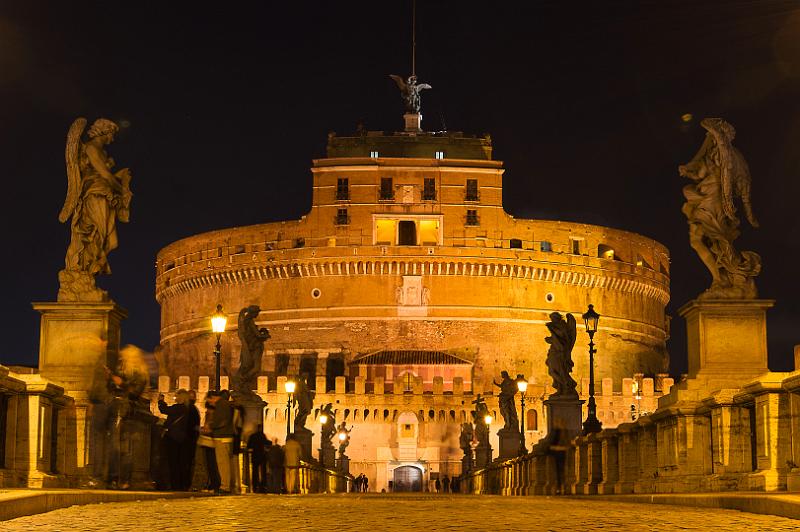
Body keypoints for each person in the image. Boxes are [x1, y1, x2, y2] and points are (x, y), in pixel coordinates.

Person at [158, 390, 190, 490]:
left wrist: (161, 401)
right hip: (182, 438)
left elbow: (164, 410)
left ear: (181, 397)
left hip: (173, 437)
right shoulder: (187, 409)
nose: (175, 398)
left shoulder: (178, 408)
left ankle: (174, 485)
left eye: (177, 396)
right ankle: (181, 485)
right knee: (179, 462)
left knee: (172, 462)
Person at [211, 390, 235, 494]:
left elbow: (222, 420)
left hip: (221, 436)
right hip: (226, 437)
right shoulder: (227, 405)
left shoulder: (221, 405)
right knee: (226, 463)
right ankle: (227, 485)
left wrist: (211, 426)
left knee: (222, 463)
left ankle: (225, 486)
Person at [199, 391, 220, 492]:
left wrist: (205, 428)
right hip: (211, 438)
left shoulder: (211, 411)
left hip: (210, 439)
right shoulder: (213, 410)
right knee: (211, 463)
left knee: (211, 463)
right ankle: (213, 483)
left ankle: (214, 484)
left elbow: (209, 424)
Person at [184, 390, 201, 490]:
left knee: (187, 462)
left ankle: (185, 484)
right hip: (192, 439)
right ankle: (187, 484)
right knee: (189, 463)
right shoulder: (193, 409)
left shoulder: (188, 408)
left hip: (187, 439)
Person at [247, 424, 269, 493]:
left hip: (255, 455)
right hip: (262, 455)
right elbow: (267, 443)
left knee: (255, 471)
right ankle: (262, 485)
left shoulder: (252, 436)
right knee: (263, 471)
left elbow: (249, 446)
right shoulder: (262, 436)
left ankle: (255, 485)